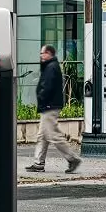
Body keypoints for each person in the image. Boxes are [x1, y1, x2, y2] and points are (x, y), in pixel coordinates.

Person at [26, 43, 80, 174]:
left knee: (52, 135)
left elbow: (47, 87)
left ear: (49, 54)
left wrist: (41, 97)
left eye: (42, 53)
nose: (40, 55)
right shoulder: (50, 66)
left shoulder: (51, 67)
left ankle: (72, 158)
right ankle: (38, 163)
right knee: (42, 136)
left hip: (49, 106)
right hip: (49, 105)